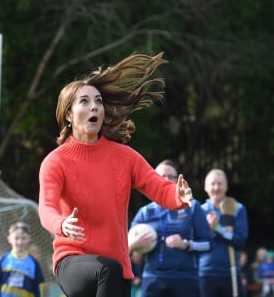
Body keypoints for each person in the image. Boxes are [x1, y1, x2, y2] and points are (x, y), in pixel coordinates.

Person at [38, 52, 194, 297]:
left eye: (98, 101)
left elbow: (159, 187)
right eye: (85, 101)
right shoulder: (55, 162)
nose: (94, 107)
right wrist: (61, 224)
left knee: (113, 270)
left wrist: (178, 196)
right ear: (68, 115)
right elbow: (46, 208)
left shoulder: (125, 156)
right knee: (106, 269)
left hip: (118, 268)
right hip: (73, 261)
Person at [128, 159, 212, 297]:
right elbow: (127, 247)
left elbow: (208, 244)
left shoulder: (192, 206)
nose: (166, 180)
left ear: (177, 180)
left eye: (171, 176)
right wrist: (134, 247)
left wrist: (186, 244)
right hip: (152, 278)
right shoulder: (145, 212)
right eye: (161, 177)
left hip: (185, 278)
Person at [199, 168, 249, 297]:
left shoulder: (237, 209)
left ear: (226, 186)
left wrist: (218, 229)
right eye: (212, 183)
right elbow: (196, 242)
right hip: (205, 272)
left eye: (220, 183)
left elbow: (240, 241)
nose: (216, 187)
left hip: (231, 271)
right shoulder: (199, 211)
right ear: (205, 187)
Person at [0, 222, 44, 297]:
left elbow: (37, 288)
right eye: (16, 238)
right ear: (9, 239)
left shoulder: (33, 263)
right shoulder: (3, 260)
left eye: (23, 238)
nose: (20, 242)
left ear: (29, 239)